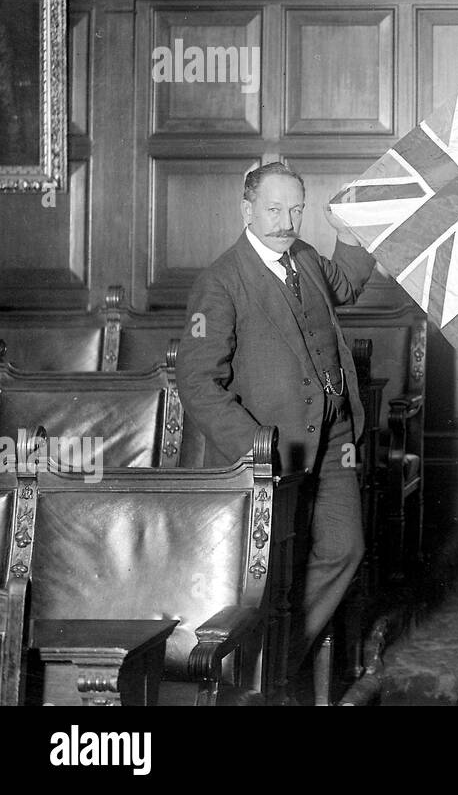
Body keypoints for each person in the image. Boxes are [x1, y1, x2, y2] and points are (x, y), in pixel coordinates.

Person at [176, 161, 377, 696]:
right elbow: (197, 382)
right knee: (274, 577)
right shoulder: (219, 282)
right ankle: (263, 677)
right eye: (273, 209)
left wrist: (353, 226)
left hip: (334, 438)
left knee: (345, 548)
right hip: (274, 453)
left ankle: (270, 666)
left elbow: (349, 282)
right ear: (247, 210)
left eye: (295, 210)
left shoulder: (306, 258)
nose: (286, 221)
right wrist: (255, 449)